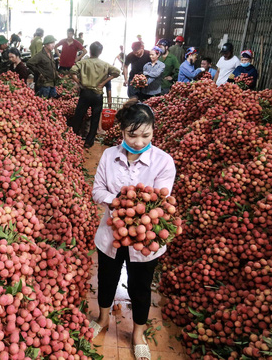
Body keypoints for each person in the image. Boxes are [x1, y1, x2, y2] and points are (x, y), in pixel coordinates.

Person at [90, 99, 176, 360]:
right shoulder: (108, 156)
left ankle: (138, 334)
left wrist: (135, 207)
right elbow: (97, 191)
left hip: (144, 241)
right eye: (132, 135)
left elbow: (161, 202)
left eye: (146, 135)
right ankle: (103, 319)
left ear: (153, 131)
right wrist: (117, 201)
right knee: (106, 280)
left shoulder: (163, 161)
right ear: (122, 131)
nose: (139, 142)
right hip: (110, 236)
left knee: (140, 288)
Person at [69, 41, 121, 148]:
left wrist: (79, 82)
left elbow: (72, 71)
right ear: (100, 52)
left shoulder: (83, 62)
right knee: (95, 118)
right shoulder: (104, 64)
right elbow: (117, 72)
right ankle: (89, 142)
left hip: (85, 93)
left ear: (90, 51)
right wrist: (104, 82)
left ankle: (73, 138)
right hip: (97, 95)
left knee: (79, 116)